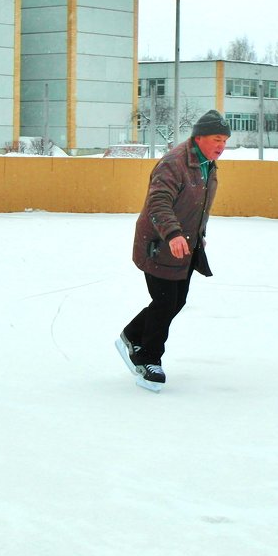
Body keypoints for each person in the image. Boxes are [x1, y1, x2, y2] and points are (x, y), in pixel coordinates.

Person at [116, 110, 231, 390]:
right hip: (159, 243)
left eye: (225, 141)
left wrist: (197, 236)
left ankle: (132, 335)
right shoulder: (174, 163)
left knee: (175, 301)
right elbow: (159, 202)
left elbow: (195, 205)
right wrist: (173, 233)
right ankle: (148, 359)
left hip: (185, 245)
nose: (221, 146)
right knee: (166, 301)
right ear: (199, 137)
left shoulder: (206, 164)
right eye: (217, 139)